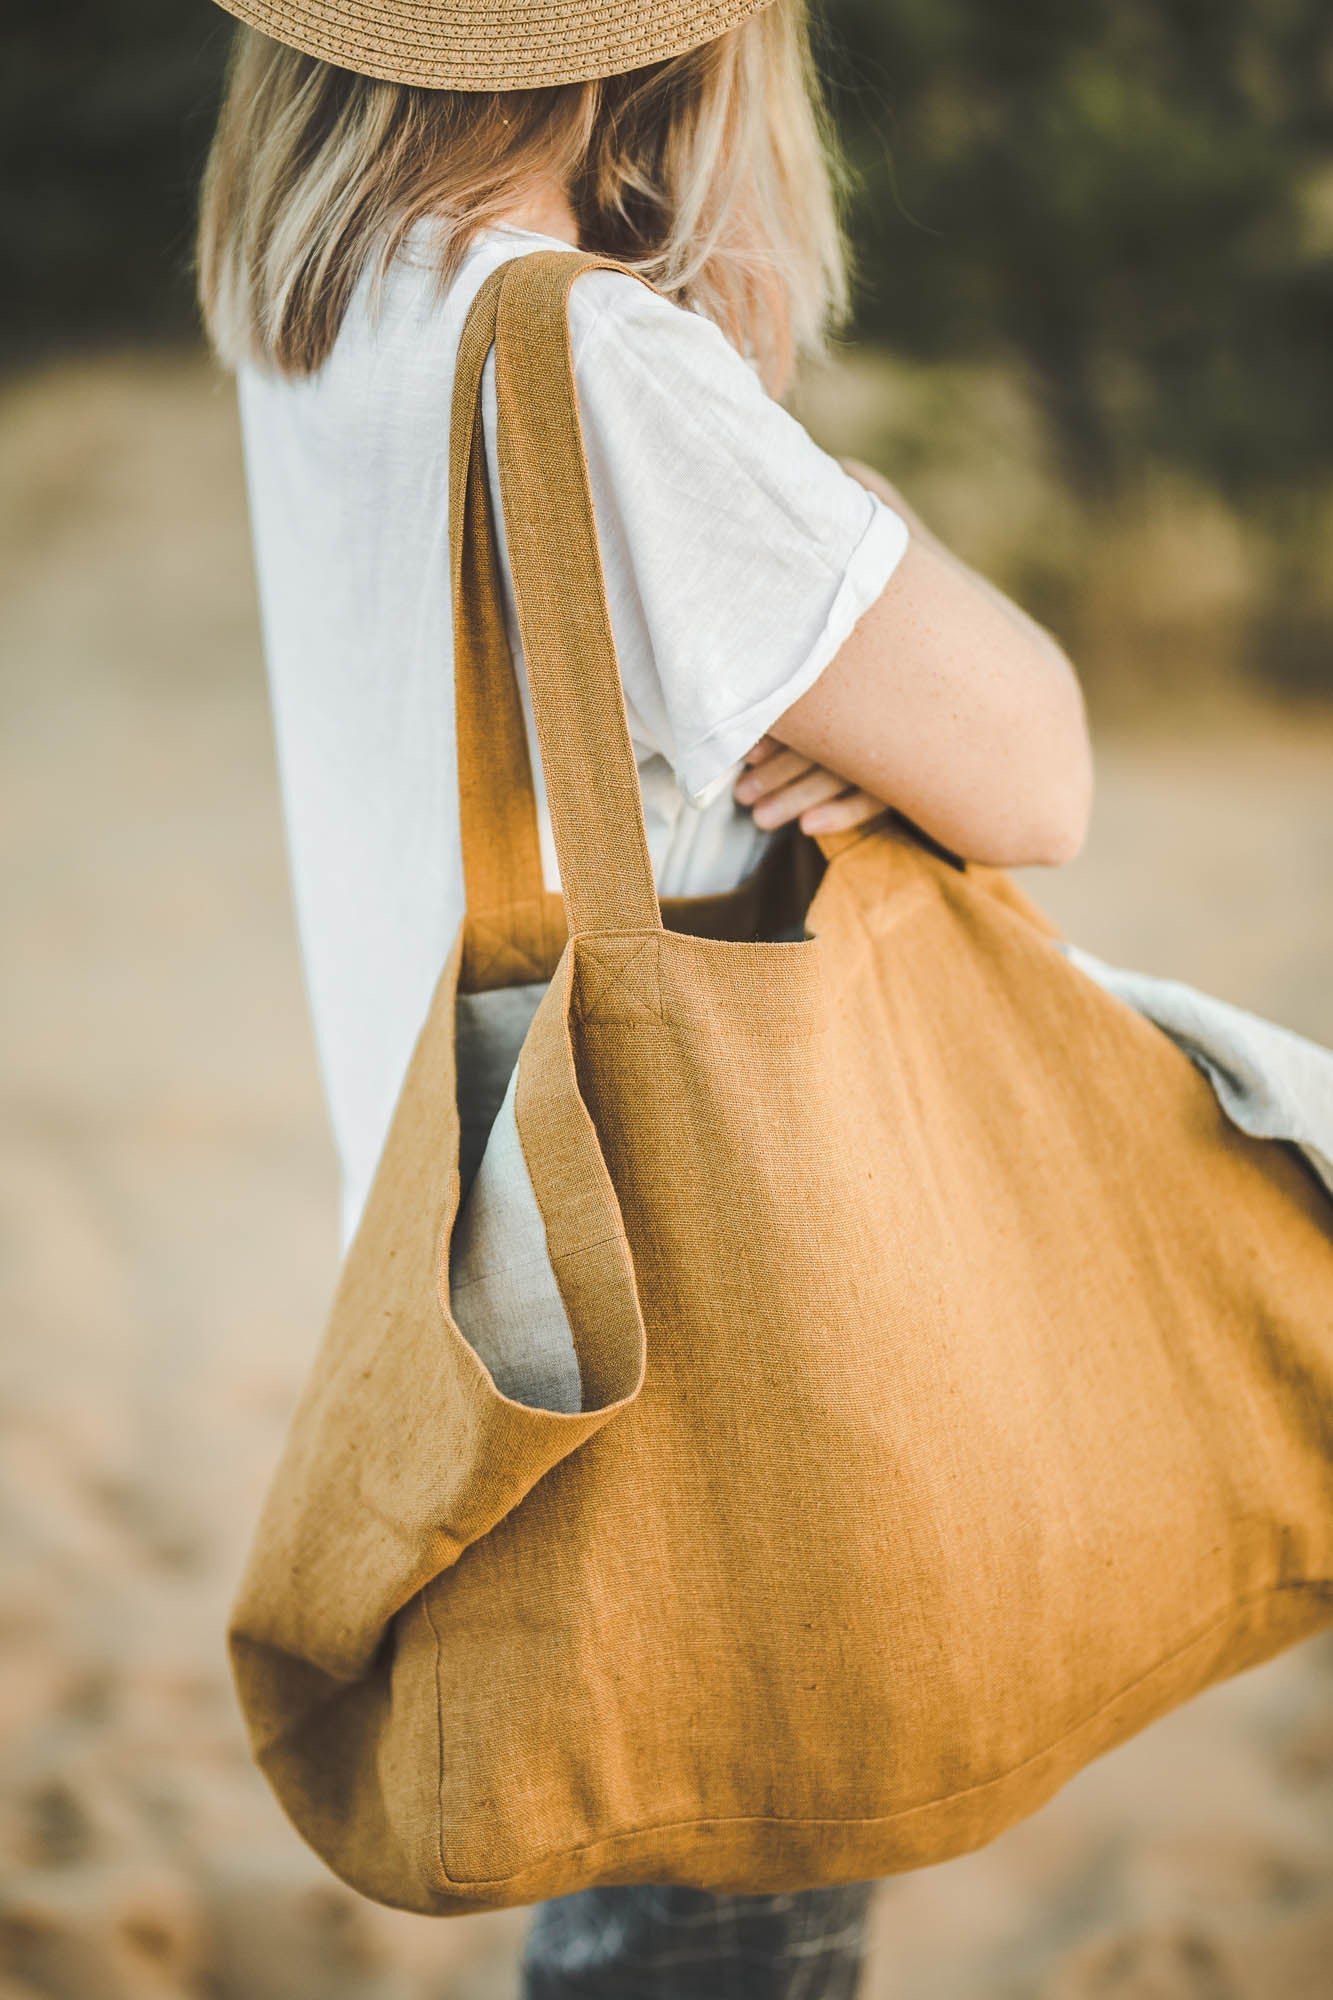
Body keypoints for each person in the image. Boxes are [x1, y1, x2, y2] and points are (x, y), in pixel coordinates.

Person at [197, 2, 1093, 1992]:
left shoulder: (330, 311)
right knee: (712, 1930)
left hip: (485, 1305)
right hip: (712, 1358)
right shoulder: (598, 368)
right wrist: (836, 528)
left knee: (628, 1910)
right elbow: (1039, 766)